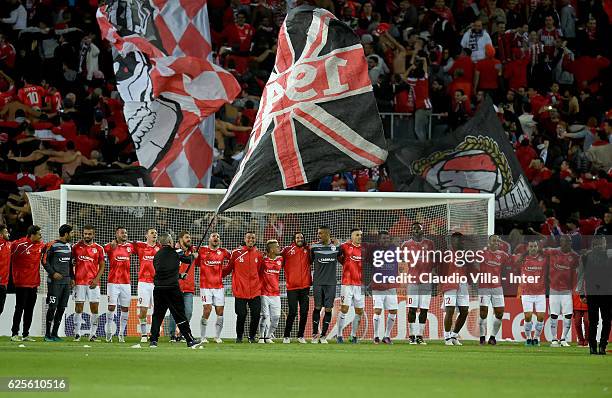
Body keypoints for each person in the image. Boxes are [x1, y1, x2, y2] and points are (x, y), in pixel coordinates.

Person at [149, 233, 200, 349]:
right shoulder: (176, 251)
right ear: (170, 242)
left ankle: (153, 340)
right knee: (180, 315)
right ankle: (189, 340)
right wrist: (194, 256)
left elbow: (164, 272)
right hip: (172, 288)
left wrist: (179, 275)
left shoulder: (156, 255)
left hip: (158, 289)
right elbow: (187, 260)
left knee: (157, 315)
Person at [223, 231, 263, 343]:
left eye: (253, 238)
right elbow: (228, 268)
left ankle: (251, 337)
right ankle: (239, 337)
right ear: (245, 239)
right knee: (241, 314)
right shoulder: (236, 253)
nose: (251, 240)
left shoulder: (259, 254)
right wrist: (217, 274)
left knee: (256, 315)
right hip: (240, 290)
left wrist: (258, 285)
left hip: (255, 291)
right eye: (249, 238)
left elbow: (259, 271)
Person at [577, 235, 612, 355]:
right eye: (597, 244)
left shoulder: (609, 256)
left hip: (607, 294)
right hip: (592, 294)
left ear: (604, 244)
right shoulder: (585, 257)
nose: (599, 246)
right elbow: (580, 277)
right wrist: (581, 294)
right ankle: (592, 346)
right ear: (593, 245)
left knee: (607, 321)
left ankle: (602, 346)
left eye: (601, 243)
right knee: (593, 321)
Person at [402, 222, 435, 345]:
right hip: (412, 282)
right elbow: (402, 262)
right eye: (414, 229)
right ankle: (411, 336)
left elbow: (433, 261)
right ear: (411, 231)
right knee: (412, 309)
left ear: (423, 231)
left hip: (426, 282)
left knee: (424, 310)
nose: (416, 231)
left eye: (419, 229)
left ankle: (420, 336)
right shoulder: (406, 245)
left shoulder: (429, 244)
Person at [10, 225, 44, 342]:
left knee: (29, 309)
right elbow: (5, 254)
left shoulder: (41, 245)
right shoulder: (18, 245)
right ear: (32, 235)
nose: (41, 236)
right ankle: (14, 333)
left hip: (34, 283)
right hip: (21, 283)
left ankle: (25, 334)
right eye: (39, 234)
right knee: (19, 308)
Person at [71, 225, 105, 342]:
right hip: (79, 282)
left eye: (89, 234)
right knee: (78, 307)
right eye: (85, 233)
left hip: (93, 283)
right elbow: (71, 263)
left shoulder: (99, 248)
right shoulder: (75, 247)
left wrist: (96, 279)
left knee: (94, 308)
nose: (87, 236)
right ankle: (77, 334)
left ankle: (93, 334)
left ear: (93, 234)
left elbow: (102, 266)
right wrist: (72, 278)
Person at [42, 224, 75, 342]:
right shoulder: (51, 245)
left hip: (66, 283)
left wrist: (72, 278)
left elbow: (70, 264)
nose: (73, 235)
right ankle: (47, 335)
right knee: (52, 307)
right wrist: (52, 273)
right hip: (54, 283)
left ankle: (55, 333)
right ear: (66, 234)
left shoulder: (69, 246)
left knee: (61, 308)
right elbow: (44, 260)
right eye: (71, 233)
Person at [545, 235, 579, 347]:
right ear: (561, 242)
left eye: (568, 241)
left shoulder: (574, 256)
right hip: (554, 289)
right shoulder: (553, 252)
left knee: (568, 315)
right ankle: (554, 339)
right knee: (554, 315)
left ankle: (564, 338)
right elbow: (540, 252)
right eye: (564, 241)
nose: (566, 243)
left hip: (567, 291)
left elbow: (578, 272)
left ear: (571, 243)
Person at [197, 233, 231, 344]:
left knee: (220, 312)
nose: (216, 238)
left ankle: (217, 337)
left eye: (218, 237)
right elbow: (191, 253)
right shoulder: (202, 250)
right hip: (205, 286)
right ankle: (202, 337)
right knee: (207, 310)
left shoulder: (223, 252)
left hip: (219, 286)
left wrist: (224, 273)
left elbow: (233, 259)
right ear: (209, 239)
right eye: (213, 236)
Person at [310, 225, 341, 344]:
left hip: (331, 283)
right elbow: (310, 261)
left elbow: (342, 258)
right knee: (317, 307)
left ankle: (323, 336)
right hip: (318, 282)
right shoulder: (314, 247)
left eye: (321, 233)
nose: (319, 235)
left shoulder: (337, 247)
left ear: (328, 234)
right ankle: (314, 335)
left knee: (328, 308)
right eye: (318, 233)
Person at [477, 235, 509, 345]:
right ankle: (482, 337)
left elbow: (509, 266)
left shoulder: (503, 255)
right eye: (493, 240)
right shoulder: (482, 253)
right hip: (484, 287)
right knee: (483, 313)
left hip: (497, 287)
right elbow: (473, 262)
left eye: (497, 240)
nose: (495, 242)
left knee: (500, 313)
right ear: (488, 242)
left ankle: (492, 337)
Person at [516, 240, 547, 347]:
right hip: (527, 292)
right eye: (531, 246)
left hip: (540, 292)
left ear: (538, 247)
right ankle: (528, 338)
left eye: (535, 246)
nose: (533, 248)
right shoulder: (522, 259)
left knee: (541, 317)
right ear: (528, 248)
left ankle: (537, 338)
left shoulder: (544, 259)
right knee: (528, 316)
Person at [281, 232, 311, 344]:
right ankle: (286, 336)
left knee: (304, 312)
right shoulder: (287, 250)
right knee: (292, 312)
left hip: (305, 287)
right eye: (298, 237)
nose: (300, 239)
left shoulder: (308, 249)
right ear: (294, 239)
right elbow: (277, 256)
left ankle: (301, 335)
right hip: (292, 287)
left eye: (302, 237)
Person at [104, 227, 133, 343]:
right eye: (122, 232)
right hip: (113, 282)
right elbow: (102, 252)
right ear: (117, 234)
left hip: (126, 283)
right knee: (111, 307)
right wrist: (111, 247)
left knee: (125, 308)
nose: (124, 234)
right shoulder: (110, 246)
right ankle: (109, 332)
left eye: (126, 232)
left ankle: (121, 334)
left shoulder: (130, 247)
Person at [442, 232, 470, 346]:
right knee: (450, 311)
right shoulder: (447, 253)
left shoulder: (465, 254)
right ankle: (447, 337)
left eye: (462, 240)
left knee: (464, 311)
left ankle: (454, 335)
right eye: (459, 240)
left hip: (462, 284)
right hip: (450, 285)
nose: (462, 242)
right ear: (453, 241)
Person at [167, 231, 196, 343]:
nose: (189, 239)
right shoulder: (174, 252)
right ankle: (172, 335)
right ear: (180, 239)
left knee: (188, 312)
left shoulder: (193, 251)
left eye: (190, 237)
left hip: (188, 288)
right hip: (175, 286)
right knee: (174, 312)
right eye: (187, 237)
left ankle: (182, 333)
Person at [336, 228, 364, 344]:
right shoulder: (345, 246)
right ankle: (339, 335)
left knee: (359, 311)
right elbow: (337, 255)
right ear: (352, 237)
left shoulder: (364, 249)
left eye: (360, 235)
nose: (359, 237)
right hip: (347, 283)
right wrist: (344, 263)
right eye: (357, 235)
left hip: (359, 284)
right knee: (344, 309)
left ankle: (353, 335)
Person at [371, 231, 398, 345]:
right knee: (378, 310)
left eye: (387, 238)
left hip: (391, 287)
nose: (386, 240)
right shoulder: (373, 250)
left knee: (393, 311)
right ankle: (376, 336)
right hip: (378, 287)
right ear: (379, 240)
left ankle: (386, 336)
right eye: (383, 238)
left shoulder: (394, 249)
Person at [133, 228, 161, 343]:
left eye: (156, 233)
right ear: (146, 235)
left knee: (157, 310)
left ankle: (154, 334)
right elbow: (126, 245)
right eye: (152, 233)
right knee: (143, 310)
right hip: (143, 282)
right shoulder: (140, 246)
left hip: (157, 283)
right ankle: (144, 334)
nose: (154, 234)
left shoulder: (160, 248)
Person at [259, 240, 283, 343]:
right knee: (265, 316)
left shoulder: (281, 259)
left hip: (276, 294)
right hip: (264, 293)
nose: (279, 248)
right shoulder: (262, 261)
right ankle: (261, 337)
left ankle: (268, 336)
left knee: (276, 317)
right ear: (272, 249)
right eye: (277, 247)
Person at [0, 225, 10, 318]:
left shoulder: (8, 245)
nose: (8, 234)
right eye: (6, 232)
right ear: (1, 234)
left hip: (3, 283)